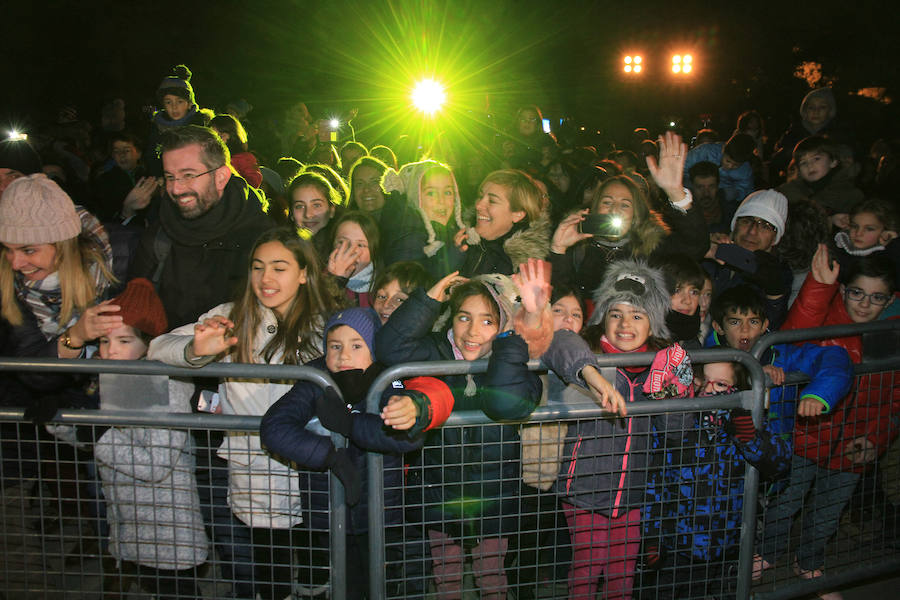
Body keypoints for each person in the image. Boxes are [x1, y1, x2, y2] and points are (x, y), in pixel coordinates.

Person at [147, 228, 340, 600]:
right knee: (273, 576)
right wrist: (196, 349)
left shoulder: (325, 326)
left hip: (314, 474)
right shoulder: (231, 318)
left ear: (303, 273)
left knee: (319, 573)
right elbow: (158, 346)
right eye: (258, 267)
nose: (266, 279)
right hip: (257, 475)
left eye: (279, 268)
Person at [373, 262, 555, 600]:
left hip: (493, 500)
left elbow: (507, 404)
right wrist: (427, 301)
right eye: (463, 317)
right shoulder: (436, 351)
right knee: (447, 578)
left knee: (491, 578)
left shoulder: (514, 360)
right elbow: (389, 348)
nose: (472, 331)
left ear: (502, 325)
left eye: (488, 321)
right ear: (450, 318)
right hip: (439, 496)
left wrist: (510, 340)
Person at [260, 307, 435, 599]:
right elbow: (274, 427)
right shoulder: (316, 380)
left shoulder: (386, 379)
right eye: (335, 346)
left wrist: (349, 424)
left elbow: (406, 437)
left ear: (374, 348)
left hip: (380, 518)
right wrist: (330, 456)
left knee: (382, 587)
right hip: (328, 516)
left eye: (356, 346)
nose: (343, 356)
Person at [755, 250, 898, 597]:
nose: (865, 304)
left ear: (891, 299)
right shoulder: (826, 321)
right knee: (785, 504)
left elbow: (895, 402)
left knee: (827, 514)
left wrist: (876, 440)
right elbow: (795, 335)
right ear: (844, 291)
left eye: (877, 297)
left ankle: (809, 561)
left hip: (855, 449)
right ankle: (768, 553)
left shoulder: (892, 336)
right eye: (857, 293)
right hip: (806, 437)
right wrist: (818, 287)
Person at [557, 259, 693, 600]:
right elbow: (559, 343)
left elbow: (677, 434)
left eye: (637, 315)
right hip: (584, 491)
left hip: (632, 494)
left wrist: (678, 393)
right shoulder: (586, 351)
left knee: (622, 575)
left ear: (653, 324)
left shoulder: (661, 365)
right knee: (588, 570)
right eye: (616, 313)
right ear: (603, 316)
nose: (624, 323)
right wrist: (592, 374)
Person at [93, 278, 208, 599]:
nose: (110, 350)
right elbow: (99, 441)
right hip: (131, 522)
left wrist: (95, 432)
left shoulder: (164, 387)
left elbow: (156, 464)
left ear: (148, 343)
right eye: (103, 340)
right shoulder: (114, 379)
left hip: (168, 530)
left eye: (123, 340)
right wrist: (62, 419)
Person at [640, 359, 786, 600]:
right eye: (703, 382)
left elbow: (779, 464)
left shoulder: (741, 424)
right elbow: (655, 482)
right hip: (676, 543)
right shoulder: (678, 425)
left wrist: (747, 436)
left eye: (720, 384)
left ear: (738, 391)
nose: (708, 390)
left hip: (724, 543)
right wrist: (652, 537)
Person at [129, 125, 274, 328]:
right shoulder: (159, 236)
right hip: (166, 355)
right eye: (170, 177)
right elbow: (134, 318)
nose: (176, 188)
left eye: (188, 175)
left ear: (221, 177)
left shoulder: (263, 239)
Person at [705, 284, 853, 467]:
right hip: (720, 466)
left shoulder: (781, 355)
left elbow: (835, 358)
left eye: (753, 321)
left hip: (773, 459)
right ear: (719, 327)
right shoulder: (707, 359)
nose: (744, 330)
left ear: (764, 325)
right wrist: (754, 374)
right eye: (735, 322)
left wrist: (819, 394)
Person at [550, 132, 708, 299]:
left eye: (625, 205)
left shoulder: (651, 247)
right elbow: (560, 298)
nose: (614, 209)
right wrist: (558, 249)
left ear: (635, 214)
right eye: (607, 202)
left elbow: (696, 246)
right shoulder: (576, 247)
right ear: (594, 208)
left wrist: (675, 192)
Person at [704, 189, 793, 328]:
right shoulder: (710, 255)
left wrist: (775, 295)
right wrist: (699, 248)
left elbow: (769, 328)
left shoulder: (777, 275)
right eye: (746, 221)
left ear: (775, 238)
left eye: (765, 226)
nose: (752, 231)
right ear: (735, 226)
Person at [455, 169, 551, 277]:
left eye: (492, 201)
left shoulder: (523, 268)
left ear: (517, 214)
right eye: (481, 196)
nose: (478, 206)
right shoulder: (464, 241)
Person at [382, 159, 467, 279]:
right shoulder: (406, 235)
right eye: (431, 193)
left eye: (447, 192)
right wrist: (454, 257)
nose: (441, 201)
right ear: (415, 197)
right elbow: (411, 285)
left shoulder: (447, 231)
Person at [347, 156, 424, 264]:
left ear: (388, 185)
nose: (367, 189)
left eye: (374, 182)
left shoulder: (404, 223)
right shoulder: (344, 226)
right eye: (360, 184)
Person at [777, 136, 864, 229]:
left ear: (833, 162)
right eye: (803, 163)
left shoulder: (849, 195)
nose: (810, 165)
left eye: (816, 159)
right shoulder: (787, 194)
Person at [144, 65, 214, 176]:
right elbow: (151, 158)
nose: (174, 107)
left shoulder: (202, 128)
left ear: (189, 103)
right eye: (168, 102)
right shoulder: (157, 128)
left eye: (180, 101)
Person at [683, 132, 756, 220]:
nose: (730, 166)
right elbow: (682, 168)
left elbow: (746, 191)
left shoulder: (745, 171)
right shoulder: (705, 151)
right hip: (694, 189)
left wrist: (734, 193)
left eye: (736, 165)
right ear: (723, 150)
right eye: (727, 161)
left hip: (722, 198)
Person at [831, 198, 900, 284]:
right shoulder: (836, 248)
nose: (859, 234)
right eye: (854, 226)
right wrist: (831, 219)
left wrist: (894, 243)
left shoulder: (890, 257)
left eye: (869, 229)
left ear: (885, 231)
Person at [287, 170, 345, 263]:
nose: (308, 214)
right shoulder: (281, 251)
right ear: (291, 213)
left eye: (316, 205)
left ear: (332, 210)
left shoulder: (346, 251)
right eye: (300, 206)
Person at [326, 211, 380, 307]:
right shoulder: (315, 280)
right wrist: (335, 280)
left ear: (373, 251)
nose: (351, 250)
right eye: (342, 242)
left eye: (360, 245)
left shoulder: (382, 288)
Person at [210, 113, 263, 188]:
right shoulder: (210, 155)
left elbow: (254, 182)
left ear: (232, 135)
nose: (217, 140)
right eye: (213, 136)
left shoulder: (244, 158)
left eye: (221, 136)